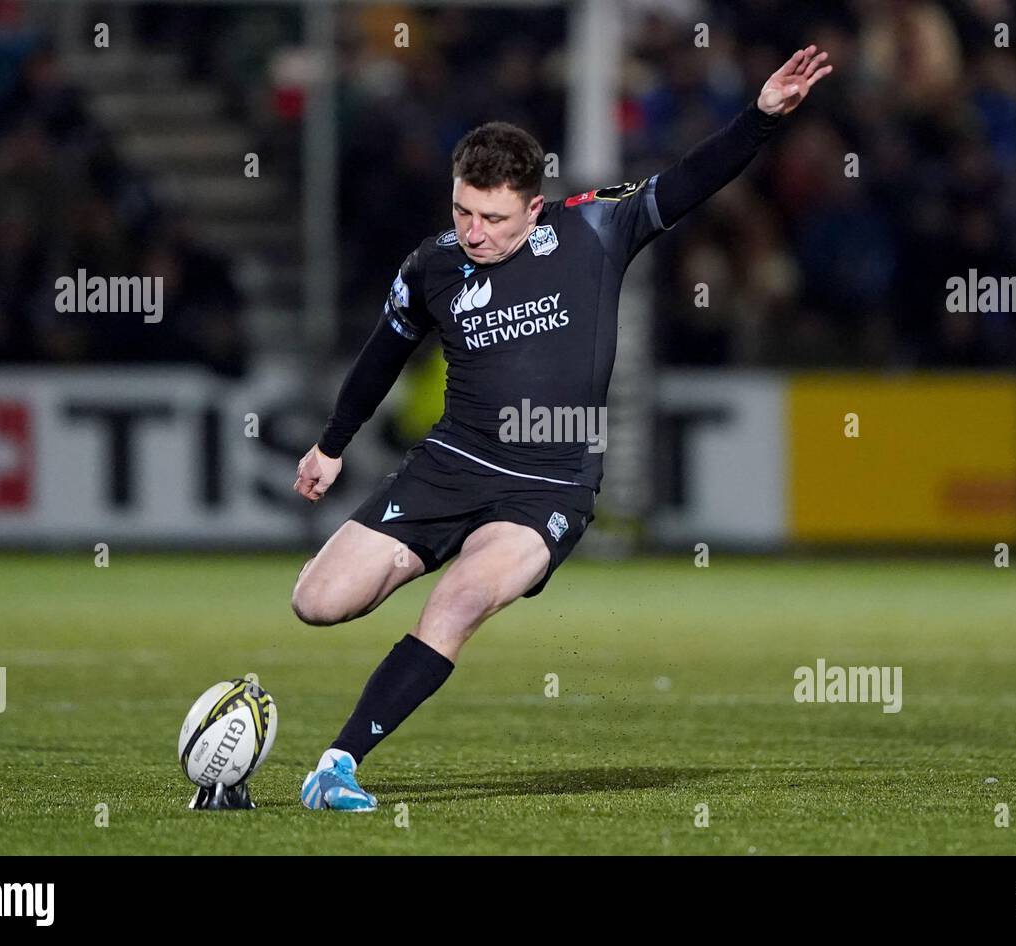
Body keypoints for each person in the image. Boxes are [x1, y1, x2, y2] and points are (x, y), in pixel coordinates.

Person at [292, 46, 833, 811]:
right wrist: (332, 443)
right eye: (462, 212)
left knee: (457, 604)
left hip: (549, 485)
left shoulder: (596, 232)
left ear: (534, 207)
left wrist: (761, 117)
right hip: (451, 464)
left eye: (492, 217)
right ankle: (408, 567)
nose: (473, 232)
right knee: (318, 601)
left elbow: (686, 184)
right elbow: (385, 350)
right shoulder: (433, 265)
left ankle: (338, 765)